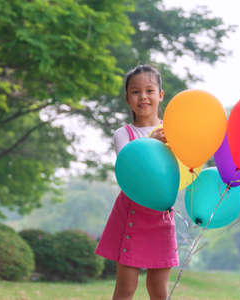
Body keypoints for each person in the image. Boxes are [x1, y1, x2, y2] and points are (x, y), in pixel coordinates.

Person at [96, 65, 178, 300]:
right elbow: (130, 170)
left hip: (162, 216)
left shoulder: (174, 131)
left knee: (158, 289)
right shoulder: (124, 134)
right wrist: (152, 142)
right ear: (127, 99)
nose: (143, 97)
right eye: (135, 92)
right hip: (131, 215)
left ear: (161, 95)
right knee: (126, 287)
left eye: (150, 91)